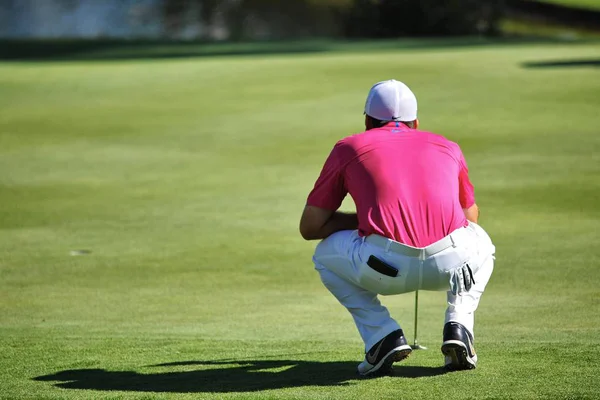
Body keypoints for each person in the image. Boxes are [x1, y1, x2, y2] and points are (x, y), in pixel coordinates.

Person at [299, 79, 496, 377]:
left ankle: (382, 335)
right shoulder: (448, 146)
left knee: (324, 253)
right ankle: (459, 324)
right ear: (415, 122)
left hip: (382, 268)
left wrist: (369, 219)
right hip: (450, 265)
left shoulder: (348, 147)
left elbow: (310, 227)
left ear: (367, 120)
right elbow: (471, 218)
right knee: (482, 241)